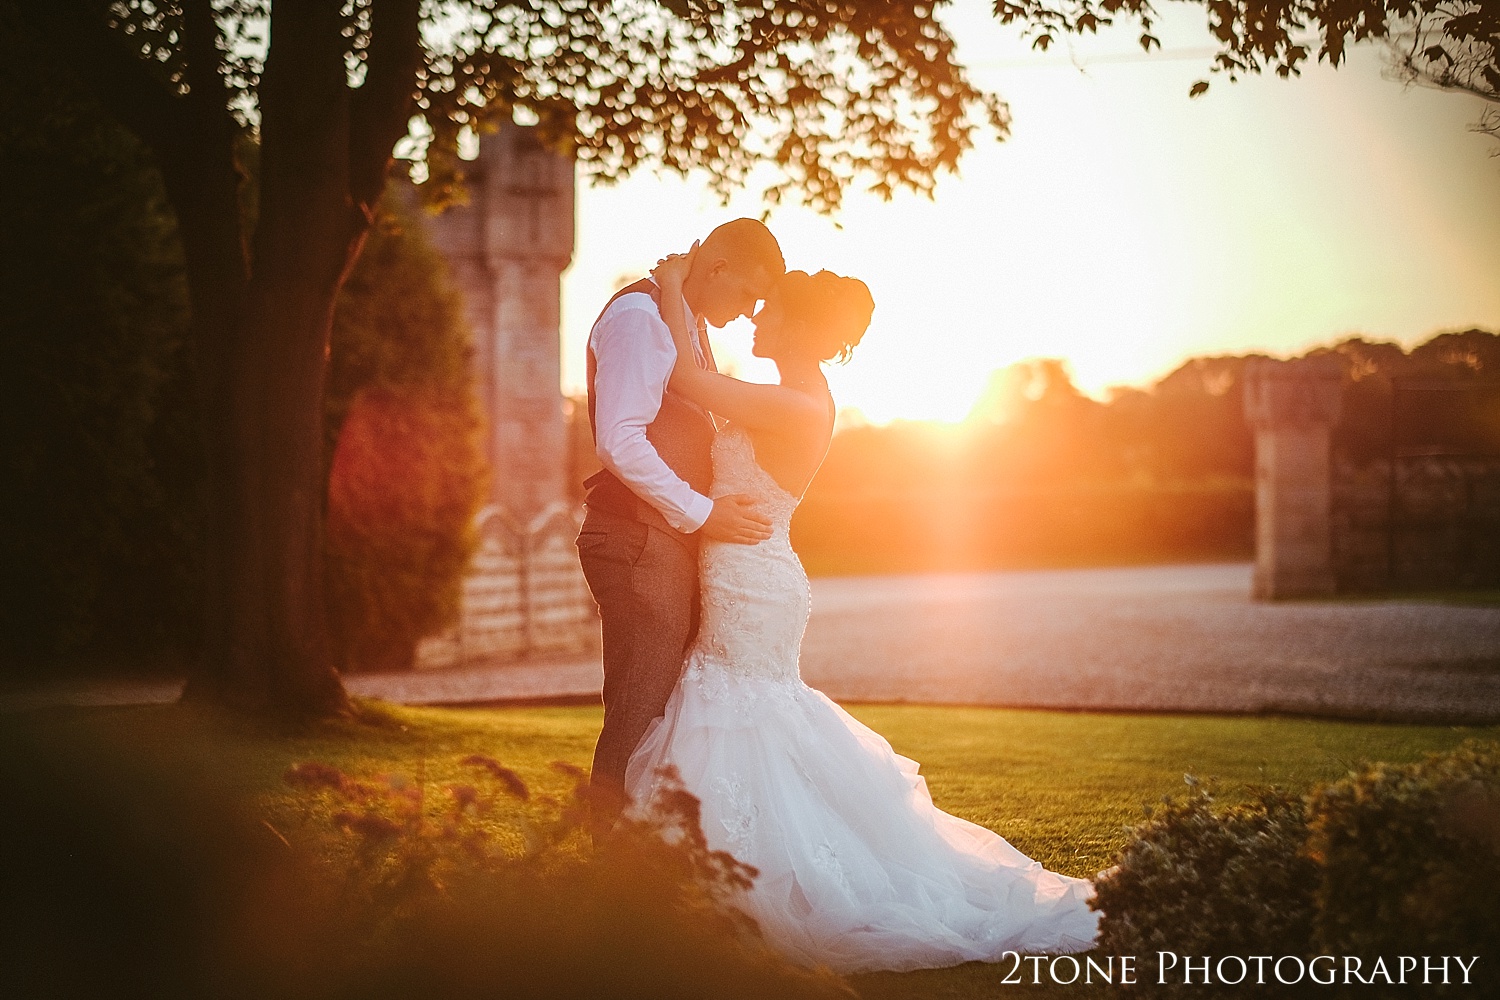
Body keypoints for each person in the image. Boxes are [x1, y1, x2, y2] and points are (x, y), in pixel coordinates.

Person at [622, 248, 1103, 974]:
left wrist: (674, 287)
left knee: (746, 710)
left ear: (799, 330)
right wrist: (683, 302)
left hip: (754, 579)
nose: (758, 316)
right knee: (747, 712)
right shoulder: (787, 387)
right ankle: (719, 871)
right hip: (745, 570)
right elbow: (704, 377)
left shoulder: (796, 401)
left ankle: (749, 880)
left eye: (771, 309)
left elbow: (691, 378)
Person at [576, 218, 786, 826]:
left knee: (661, 713)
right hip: (638, 539)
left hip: (661, 538)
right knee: (638, 715)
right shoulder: (640, 318)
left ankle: (643, 870)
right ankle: (606, 878)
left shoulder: (680, 319)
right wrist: (705, 514)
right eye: (749, 293)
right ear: (717, 269)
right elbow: (620, 439)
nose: (750, 312)